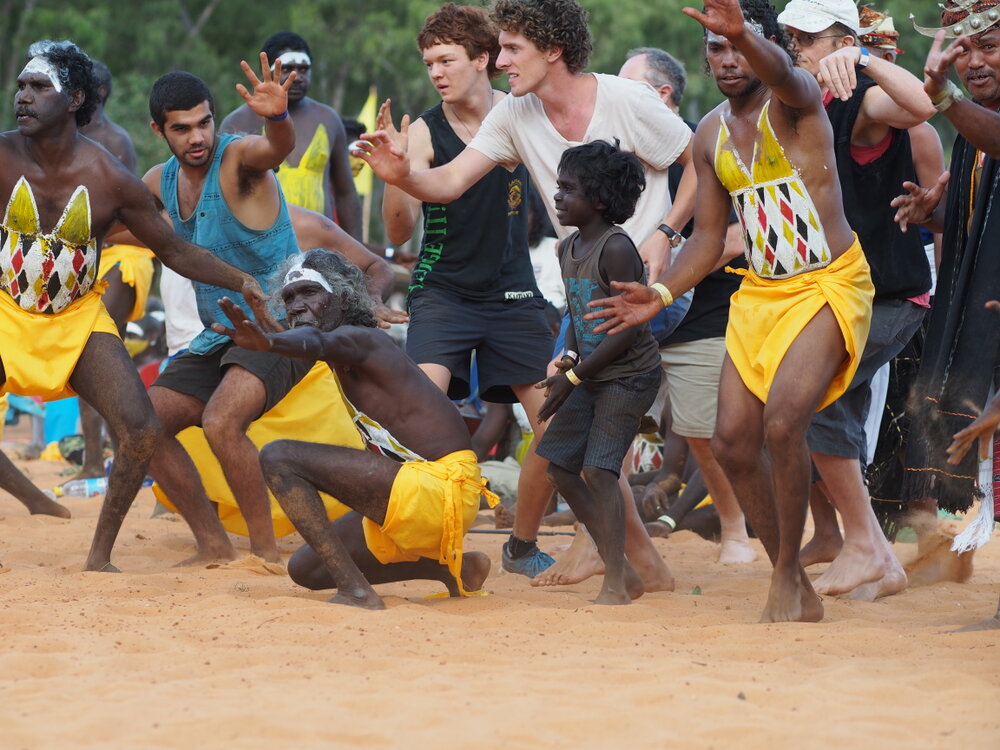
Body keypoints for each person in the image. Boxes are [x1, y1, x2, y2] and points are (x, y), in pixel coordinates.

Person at [356, 0, 687, 592]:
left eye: (510, 49)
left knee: (584, 437)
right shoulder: (506, 118)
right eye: (430, 61)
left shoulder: (621, 101)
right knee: (565, 441)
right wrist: (399, 175)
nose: (499, 59)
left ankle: (616, 559)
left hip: (625, 292)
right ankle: (614, 558)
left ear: (548, 51)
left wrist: (668, 236)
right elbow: (447, 185)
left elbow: (701, 163)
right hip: (548, 296)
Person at [586, 0, 875, 623]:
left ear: (767, 45)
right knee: (732, 443)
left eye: (738, 46)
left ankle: (785, 578)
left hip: (827, 285)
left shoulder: (796, 102)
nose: (727, 59)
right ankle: (789, 575)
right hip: (762, 293)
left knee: (781, 424)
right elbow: (710, 240)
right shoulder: (710, 134)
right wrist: (658, 295)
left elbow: (789, 73)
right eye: (715, 49)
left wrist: (742, 31)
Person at [0, 40, 270, 572]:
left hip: (77, 321)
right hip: (6, 313)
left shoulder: (110, 177)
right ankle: (33, 497)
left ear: (75, 97)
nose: (22, 97)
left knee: (143, 428)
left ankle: (102, 554)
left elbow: (173, 249)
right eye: (22, 86)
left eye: (39, 87)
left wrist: (244, 280)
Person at [212, 250, 497, 609]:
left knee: (278, 456)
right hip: (425, 493)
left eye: (308, 293)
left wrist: (269, 342)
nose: (297, 306)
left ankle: (357, 592)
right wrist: (273, 336)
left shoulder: (361, 339)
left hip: (440, 492)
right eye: (289, 298)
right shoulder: (345, 350)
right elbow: (314, 342)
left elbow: (317, 343)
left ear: (342, 298)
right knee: (307, 569)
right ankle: (453, 568)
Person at [379, 3, 556, 578]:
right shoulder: (424, 131)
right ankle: (411, 543)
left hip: (515, 293)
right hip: (443, 294)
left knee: (557, 427)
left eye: (447, 60)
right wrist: (395, 174)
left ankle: (522, 544)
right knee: (415, 419)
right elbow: (399, 231)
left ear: (482, 58)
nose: (436, 72)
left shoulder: (524, 113)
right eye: (429, 62)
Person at [776, 0, 937, 600]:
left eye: (810, 35)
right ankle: (875, 556)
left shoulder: (861, 101)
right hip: (839, 296)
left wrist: (862, 58)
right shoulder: (801, 106)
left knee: (813, 398)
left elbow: (922, 106)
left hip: (889, 297)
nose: (794, 43)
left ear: (841, 39)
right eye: (790, 33)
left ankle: (866, 545)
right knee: (825, 408)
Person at [140, 62, 314, 566]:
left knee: (220, 421)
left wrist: (278, 118)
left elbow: (275, 148)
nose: (198, 137)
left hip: (284, 326)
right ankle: (212, 542)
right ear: (159, 130)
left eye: (204, 122)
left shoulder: (238, 157)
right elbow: (117, 218)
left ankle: (264, 552)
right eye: (182, 127)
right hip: (220, 334)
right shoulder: (159, 181)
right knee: (140, 423)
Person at [616, 45, 756, 566]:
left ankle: (737, 529)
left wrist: (667, 278)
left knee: (704, 433)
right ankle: (609, 537)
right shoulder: (623, 155)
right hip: (635, 306)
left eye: (628, 90)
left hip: (708, 310)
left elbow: (745, 235)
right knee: (600, 418)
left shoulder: (717, 143)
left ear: (662, 95)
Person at [533, 141, 661, 604]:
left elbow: (627, 331)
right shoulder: (568, 248)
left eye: (569, 189)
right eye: (558, 186)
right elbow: (578, 314)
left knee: (599, 471)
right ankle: (620, 567)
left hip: (628, 375)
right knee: (561, 471)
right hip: (590, 372)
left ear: (601, 200)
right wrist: (568, 360)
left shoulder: (617, 249)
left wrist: (574, 376)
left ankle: (614, 583)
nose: (558, 196)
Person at [892, 3, 1000, 528]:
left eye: (990, 47)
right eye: (963, 51)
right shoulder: (972, 136)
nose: (974, 61)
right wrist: (935, 218)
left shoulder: (978, 126)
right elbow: (981, 227)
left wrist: (945, 94)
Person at [76, 59, 157, 480]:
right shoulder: (60, 138)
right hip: (79, 257)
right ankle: (93, 460)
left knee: (102, 349)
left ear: (97, 93)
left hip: (121, 254)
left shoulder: (115, 140)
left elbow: (120, 210)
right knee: (79, 355)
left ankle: (135, 457)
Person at [221, 32, 362, 239]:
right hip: (258, 245)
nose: (296, 77)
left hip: (319, 248)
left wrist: (357, 252)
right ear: (266, 70)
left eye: (304, 69)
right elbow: (224, 194)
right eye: (286, 69)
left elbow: (345, 193)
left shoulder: (328, 119)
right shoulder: (238, 122)